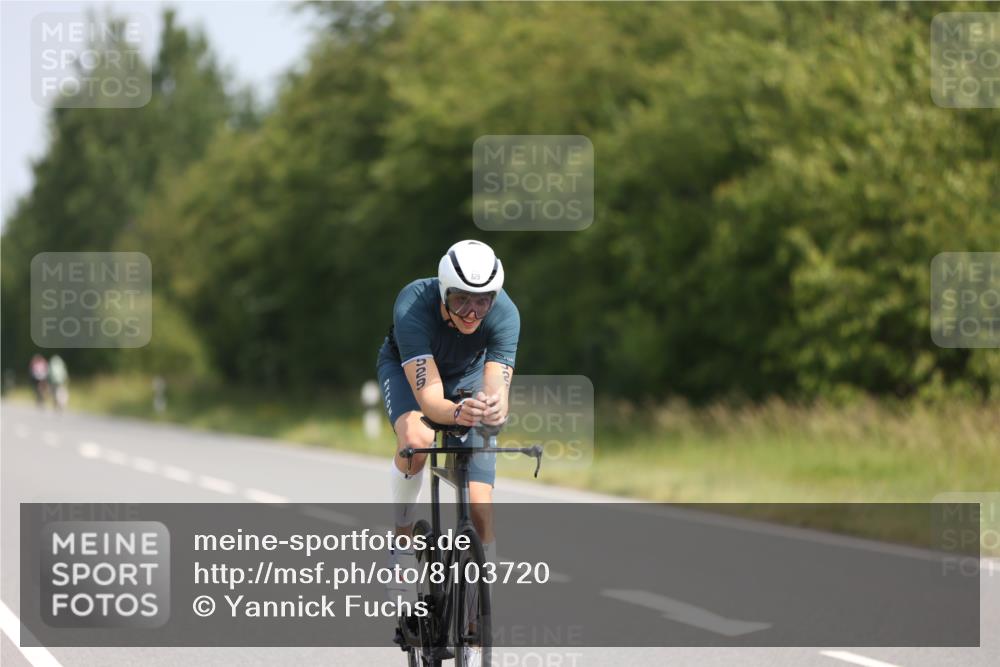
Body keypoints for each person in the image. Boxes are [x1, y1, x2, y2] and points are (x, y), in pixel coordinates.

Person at [376, 240, 519, 600]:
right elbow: (430, 400)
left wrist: (494, 406)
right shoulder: (412, 305)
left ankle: (480, 600)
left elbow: (496, 387)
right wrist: (457, 413)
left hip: (467, 376)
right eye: (460, 300)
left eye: (482, 301)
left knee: (480, 504)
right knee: (417, 441)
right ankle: (403, 541)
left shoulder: (505, 313)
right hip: (412, 373)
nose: (472, 313)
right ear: (443, 292)